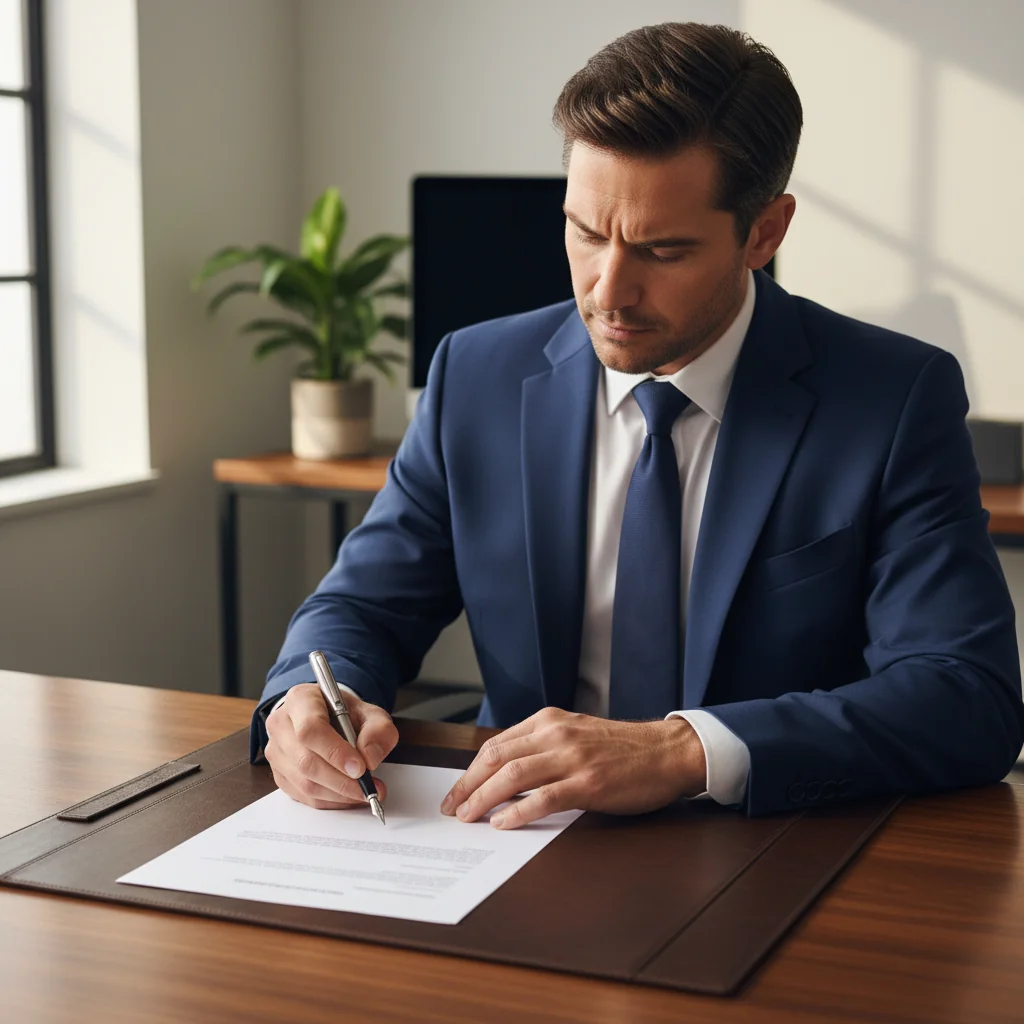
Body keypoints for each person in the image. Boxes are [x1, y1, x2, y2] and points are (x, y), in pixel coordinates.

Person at [250, 21, 1024, 829]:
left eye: (661, 251)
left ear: (765, 232)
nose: (608, 291)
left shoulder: (893, 399)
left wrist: (683, 751)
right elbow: (363, 607)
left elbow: (966, 696)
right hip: (506, 838)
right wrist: (305, 699)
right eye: (586, 233)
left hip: (771, 847)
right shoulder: (475, 375)